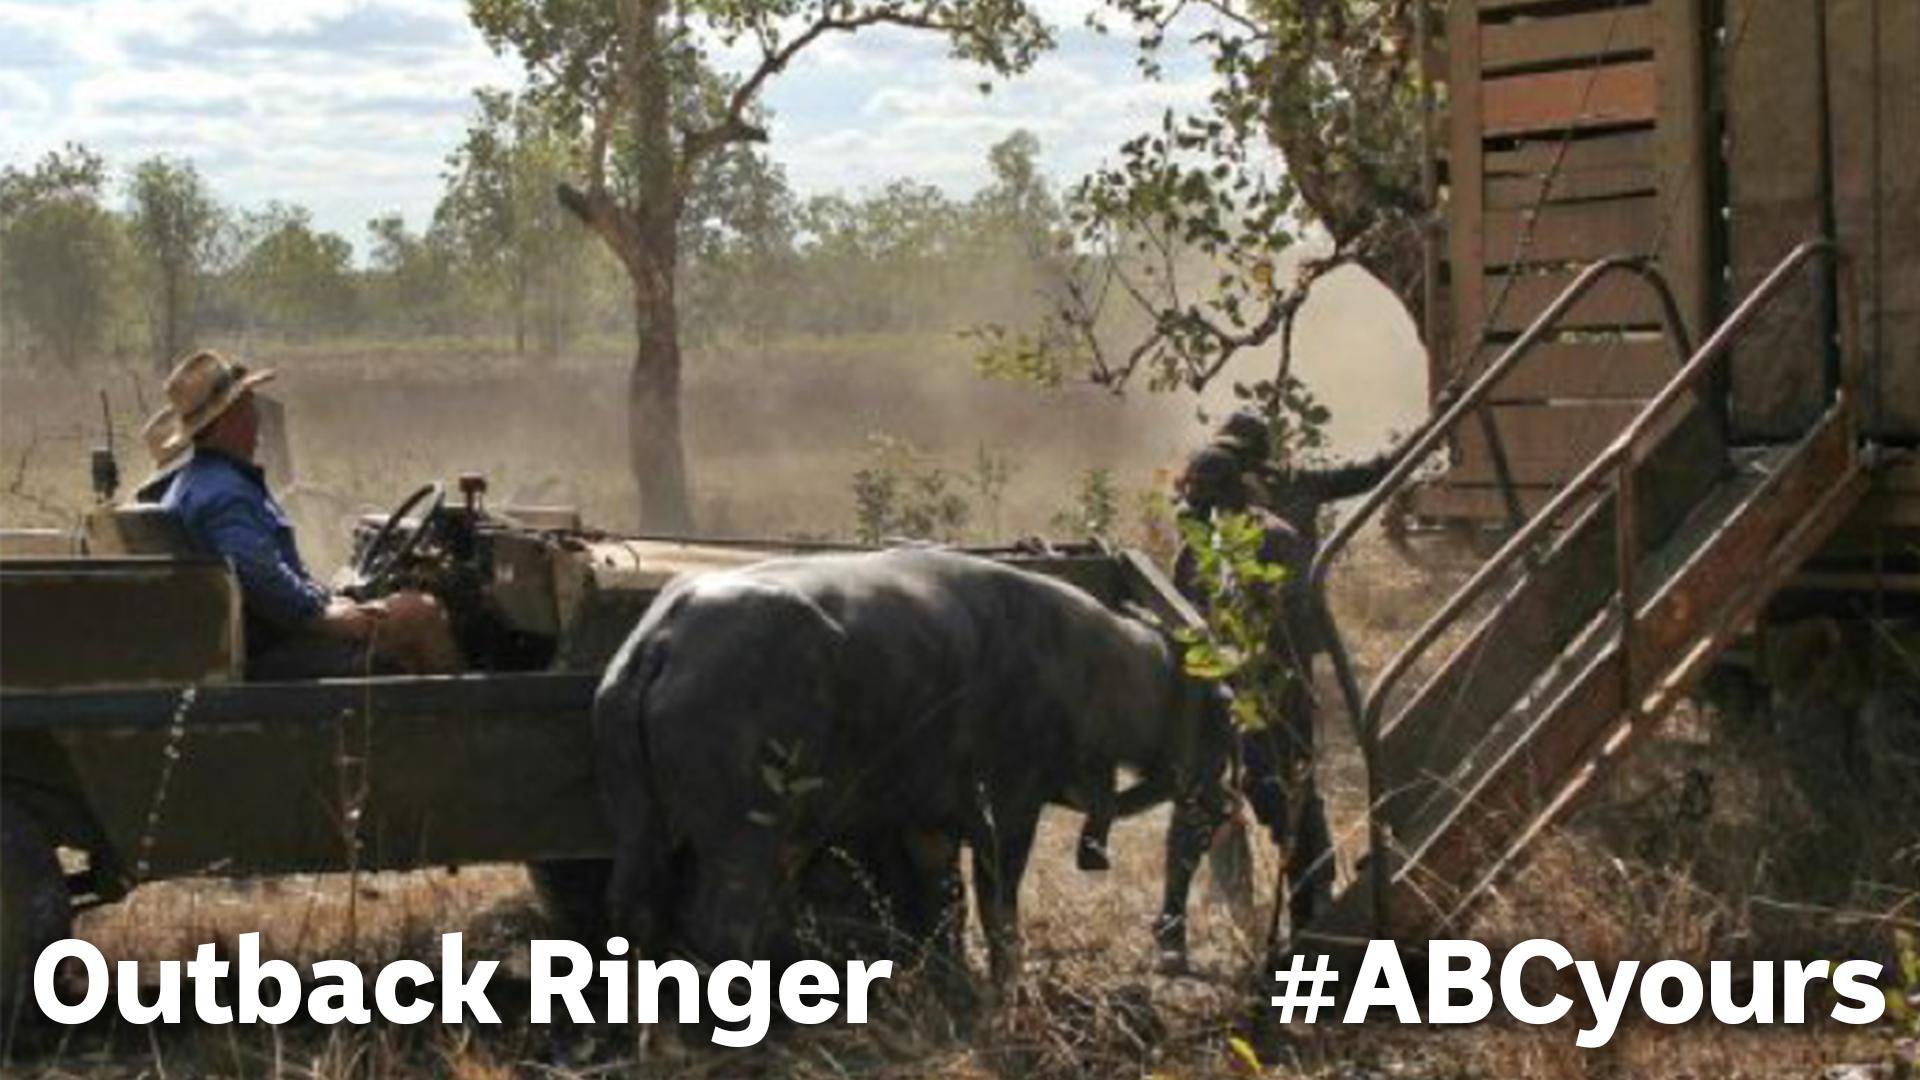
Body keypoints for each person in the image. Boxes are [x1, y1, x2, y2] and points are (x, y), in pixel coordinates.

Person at [152, 349, 459, 679]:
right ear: (230, 418)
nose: (257, 419)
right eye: (249, 406)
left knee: (393, 609)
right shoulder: (225, 494)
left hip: (257, 637)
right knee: (421, 613)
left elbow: (269, 575)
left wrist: (328, 601)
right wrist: (327, 617)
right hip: (270, 651)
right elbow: (260, 575)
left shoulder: (195, 483)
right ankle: (473, 722)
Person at [1173, 443, 1334, 928]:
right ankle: (1247, 900)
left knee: (1278, 789)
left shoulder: (1272, 541)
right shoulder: (1202, 547)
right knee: (1216, 790)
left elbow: (1302, 624)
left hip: (1273, 690)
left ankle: (1312, 903)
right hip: (1231, 691)